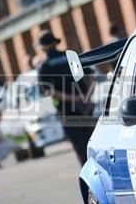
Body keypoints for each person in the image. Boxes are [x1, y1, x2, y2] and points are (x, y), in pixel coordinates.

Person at [35, 29, 95, 165]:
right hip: (85, 108)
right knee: (93, 144)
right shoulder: (71, 56)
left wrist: (72, 99)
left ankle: (89, 180)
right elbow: (91, 77)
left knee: (81, 148)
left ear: (43, 48)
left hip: (67, 112)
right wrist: (86, 97)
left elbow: (49, 91)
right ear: (55, 43)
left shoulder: (45, 67)